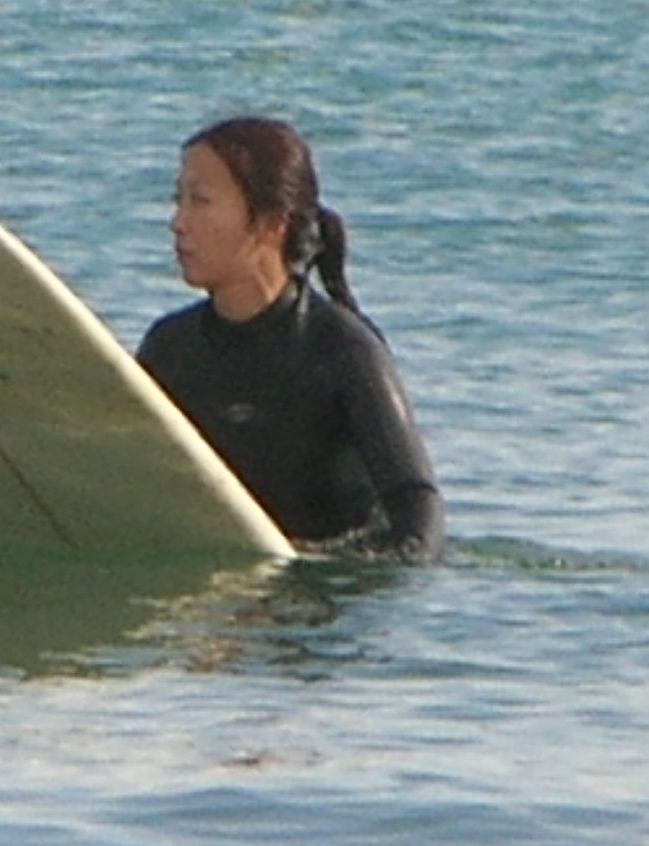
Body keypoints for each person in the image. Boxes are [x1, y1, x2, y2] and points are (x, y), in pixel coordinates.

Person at [138, 117, 444, 562]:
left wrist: (318, 572)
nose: (177, 222)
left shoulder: (343, 350)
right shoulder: (169, 349)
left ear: (270, 224)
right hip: (214, 601)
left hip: (320, 612)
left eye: (200, 201)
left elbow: (419, 516)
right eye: (177, 200)